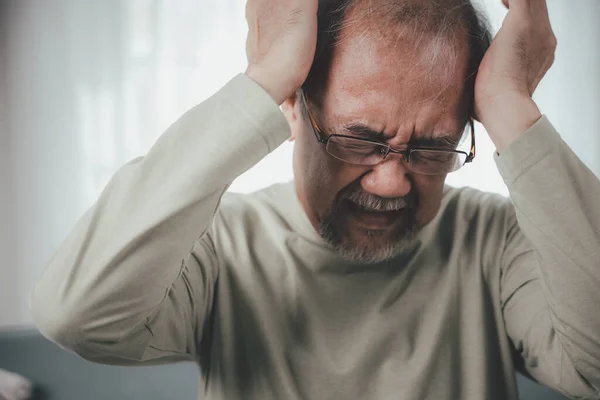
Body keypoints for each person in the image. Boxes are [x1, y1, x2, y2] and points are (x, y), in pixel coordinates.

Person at [31, 0, 600, 399]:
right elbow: (79, 316)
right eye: (359, 140)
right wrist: (264, 80)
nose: (392, 184)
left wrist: (510, 104)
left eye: (431, 149)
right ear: (296, 109)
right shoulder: (221, 245)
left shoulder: (496, 243)